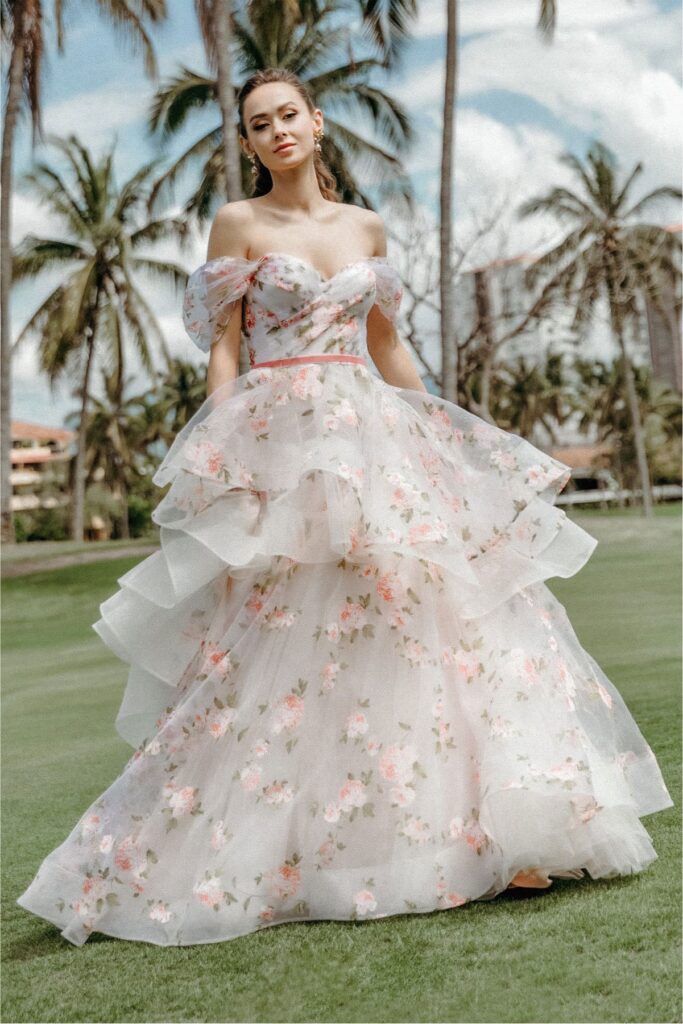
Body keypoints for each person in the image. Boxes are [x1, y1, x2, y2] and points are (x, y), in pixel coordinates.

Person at [16, 67, 673, 947]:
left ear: (316, 124)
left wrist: (443, 433)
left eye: (288, 115)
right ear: (247, 143)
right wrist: (226, 452)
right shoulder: (240, 225)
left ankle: (497, 836)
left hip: (374, 434)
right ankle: (289, 850)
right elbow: (224, 349)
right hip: (283, 438)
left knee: (426, 619)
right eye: (258, 123)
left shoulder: (365, 225)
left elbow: (386, 345)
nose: (277, 131)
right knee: (282, 640)